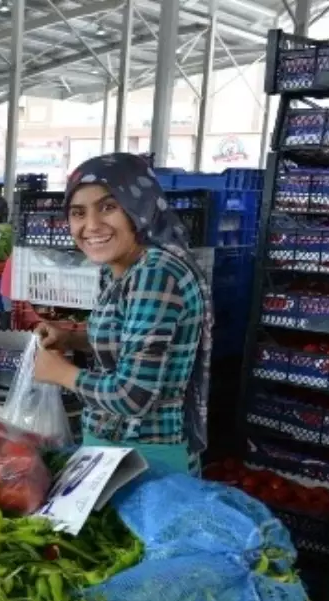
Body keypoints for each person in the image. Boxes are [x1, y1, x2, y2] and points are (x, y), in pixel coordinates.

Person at [31, 153, 211, 475]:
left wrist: (62, 373)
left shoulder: (154, 275)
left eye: (108, 207)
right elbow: (137, 341)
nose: (91, 226)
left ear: (138, 209)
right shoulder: (122, 269)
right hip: (117, 449)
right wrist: (73, 338)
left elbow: (133, 396)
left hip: (146, 458)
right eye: (78, 213)